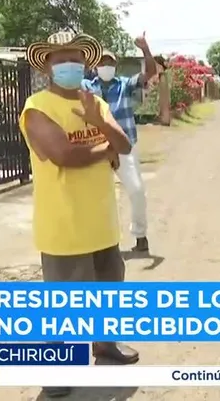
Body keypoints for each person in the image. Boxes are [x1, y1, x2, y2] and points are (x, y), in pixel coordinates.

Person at [20, 31, 139, 398]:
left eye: (74, 59)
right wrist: (104, 148)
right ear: (47, 67)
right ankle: (56, 374)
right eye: (60, 60)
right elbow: (64, 157)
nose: (68, 65)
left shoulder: (95, 103)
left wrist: (98, 124)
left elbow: (124, 143)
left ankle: (104, 346)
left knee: (107, 293)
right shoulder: (37, 107)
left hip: (102, 222)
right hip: (64, 225)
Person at [82, 32, 158, 253]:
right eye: (102, 62)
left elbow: (151, 73)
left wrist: (145, 49)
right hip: (96, 148)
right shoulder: (86, 86)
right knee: (91, 196)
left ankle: (140, 236)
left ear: (115, 66)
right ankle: (95, 242)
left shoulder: (125, 84)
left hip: (124, 147)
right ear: (95, 66)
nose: (106, 66)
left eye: (110, 62)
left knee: (136, 190)